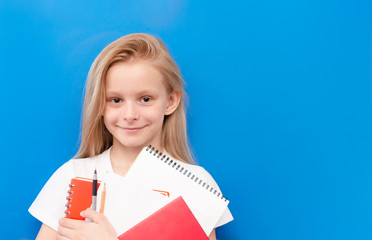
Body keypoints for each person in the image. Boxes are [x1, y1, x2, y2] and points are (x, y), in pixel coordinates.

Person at [29, 33, 233, 240]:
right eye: (115, 100)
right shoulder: (73, 175)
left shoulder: (197, 184)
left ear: (170, 101)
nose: (130, 115)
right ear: (100, 104)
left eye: (145, 99)